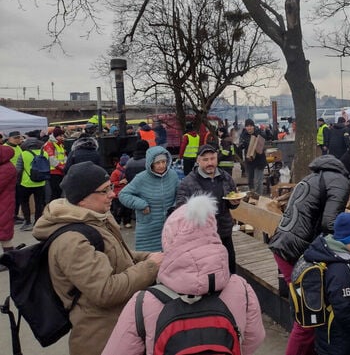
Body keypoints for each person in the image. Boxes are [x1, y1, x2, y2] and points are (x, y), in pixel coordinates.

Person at [101, 195, 265, 355]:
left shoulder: (143, 302)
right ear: (213, 233)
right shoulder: (240, 287)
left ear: (168, 239)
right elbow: (255, 338)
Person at [32, 161, 163, 355]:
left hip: (121, 327)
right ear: (82, 199)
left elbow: (118, 256)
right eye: (104, 191)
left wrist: (149, 257)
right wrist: (151, 266)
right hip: (100, 339)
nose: (112, 194)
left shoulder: (96, 218)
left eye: (110, 187)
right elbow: (105, 291)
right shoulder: (71, 240)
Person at [268, 148, 350, 355]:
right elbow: (330, 223)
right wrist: (348, 244)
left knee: (310, 312)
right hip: (293, 250)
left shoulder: (319, 173)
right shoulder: (341, 181)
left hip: (285, 243)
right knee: (307, 316)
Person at [302, 212, 350, 355]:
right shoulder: (339, 269)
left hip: (328, 336)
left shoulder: (331, 254)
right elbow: (344, 310)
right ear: (349, 239)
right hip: (338, 341)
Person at [175, 144, 239, 274]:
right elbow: (180, 209)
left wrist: (234, 203)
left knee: (230, 269)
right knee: (210, 273)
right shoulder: (187, 182)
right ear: (198, 161)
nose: (210, 163)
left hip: (224, 233)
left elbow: (232, 199)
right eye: (205, 160)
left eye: (212, 159)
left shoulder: (225, 177)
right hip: (201, 237)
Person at [119, 146, 179, 251]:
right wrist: (141, 204)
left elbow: (180, 193)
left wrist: (175, 207)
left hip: (170, 225)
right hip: (149, 227)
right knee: (150, 261)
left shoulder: (173, 175)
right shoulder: (141, 178)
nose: (162, 165)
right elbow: (123, 194)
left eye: (164, 162)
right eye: (157, 163)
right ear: (151, 163)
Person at [15, 133, 46, 231]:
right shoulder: (44, 153)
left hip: (26, 183)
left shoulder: (23, 154)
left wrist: (18, 181)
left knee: (24, 202)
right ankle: (38, 222)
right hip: (41, 182)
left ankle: (27, 222)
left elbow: (18, 170)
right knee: (39, 203)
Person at [238, 118, 266, 195]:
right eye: (247, 126)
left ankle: (259, 196)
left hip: (260, 160)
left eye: (251, 126)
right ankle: (252, 196)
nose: (249, 128)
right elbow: (240, 147)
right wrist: (241, 145)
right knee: (250, 181)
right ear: (245, 127)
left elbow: (265, 138)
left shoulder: (259, 133)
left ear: (253, 126)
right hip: (249, 161)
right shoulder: (243, 135)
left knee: (258, 181)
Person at [0, 145, 17, 272]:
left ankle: (9, 260)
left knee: (5, 233)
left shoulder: (7, 168)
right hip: (4, 203)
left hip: (4, 204)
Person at [4, 131, 23, 223]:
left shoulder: (18, 147)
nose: (17, 140)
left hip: (18, 177)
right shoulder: (5, 148)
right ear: (9, 138)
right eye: (15, 138)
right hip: (8, 178)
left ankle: (15, 215)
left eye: (18, 138)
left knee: (17, 197)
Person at [43, 127, 67, 201]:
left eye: (62, 136)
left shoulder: (60, 144)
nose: (62, 137)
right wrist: (62, 166)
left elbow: (64, 156)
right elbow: (51, 158)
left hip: (60, 171)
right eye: (60, 136)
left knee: (58, 191)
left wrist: (65, 165)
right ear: (55, 136)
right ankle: (52, 208)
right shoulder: (49, 144)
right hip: (53, 171)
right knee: (55, 192)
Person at [110, 154, 132, 228]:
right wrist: (120, 182)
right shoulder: (115, 172)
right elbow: (112, 183)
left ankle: (127, 222)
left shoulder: (129, 171)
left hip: (128, 193)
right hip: (118, 194)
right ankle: (117, 223)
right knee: (118, 210)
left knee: (128, 209)